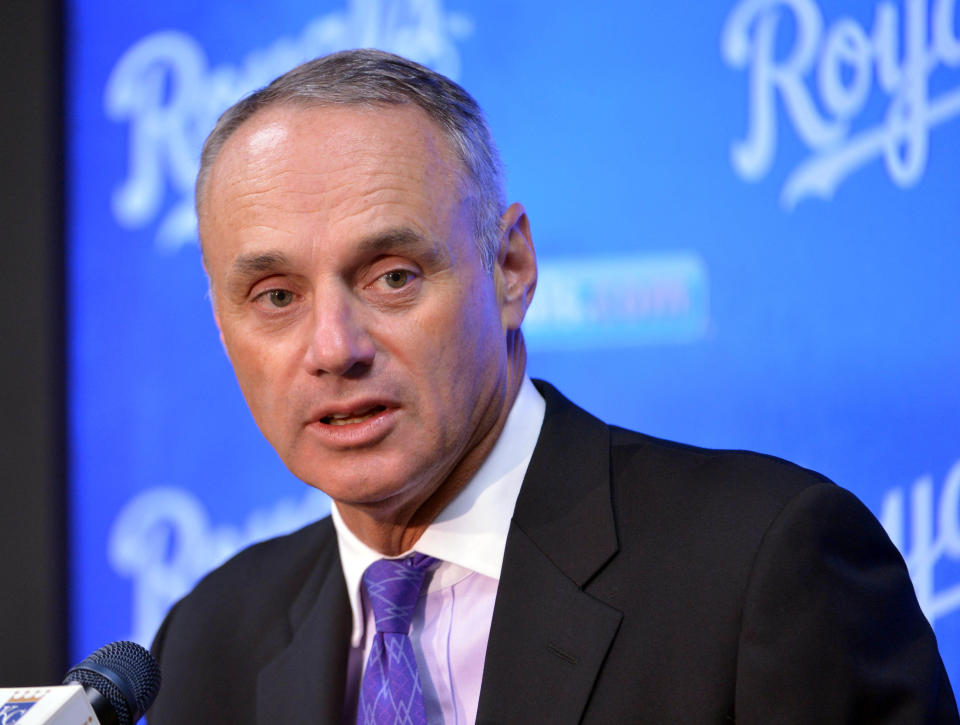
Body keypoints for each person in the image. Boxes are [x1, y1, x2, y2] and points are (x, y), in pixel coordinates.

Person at [147, 49, 958, 724]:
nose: (333, 348)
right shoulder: (207, 640)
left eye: (392, 276)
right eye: (277, 297)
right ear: (223, 327)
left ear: (511, 269)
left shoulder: (762, 569)